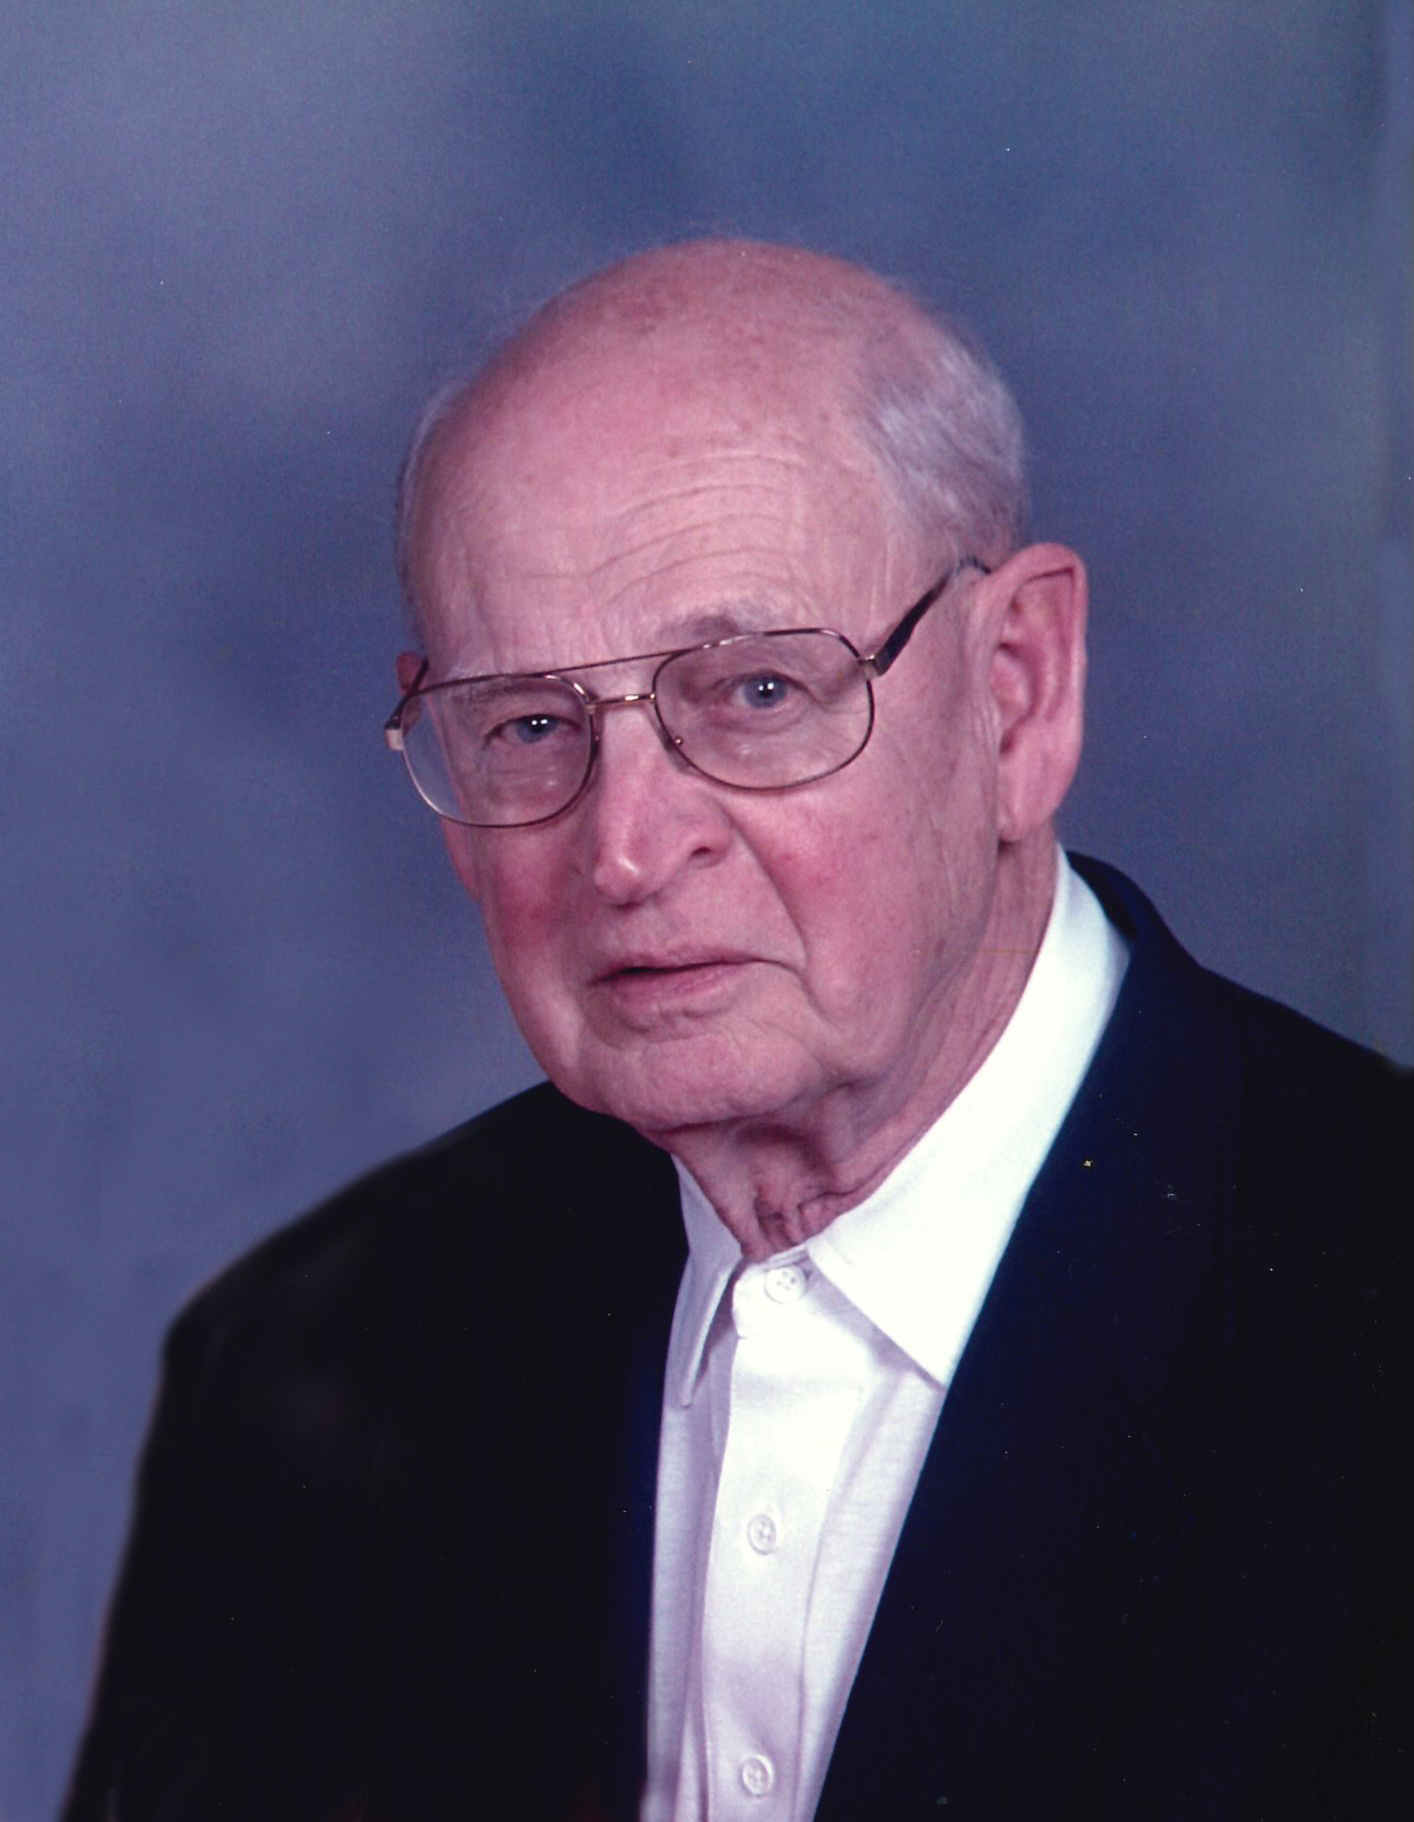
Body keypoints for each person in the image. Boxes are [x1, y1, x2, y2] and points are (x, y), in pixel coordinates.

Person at [65, 240, 1409, 1821]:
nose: (627, 849)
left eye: (757, 692)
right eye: (528, 724)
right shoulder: (305, 1367)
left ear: (1016, 693)